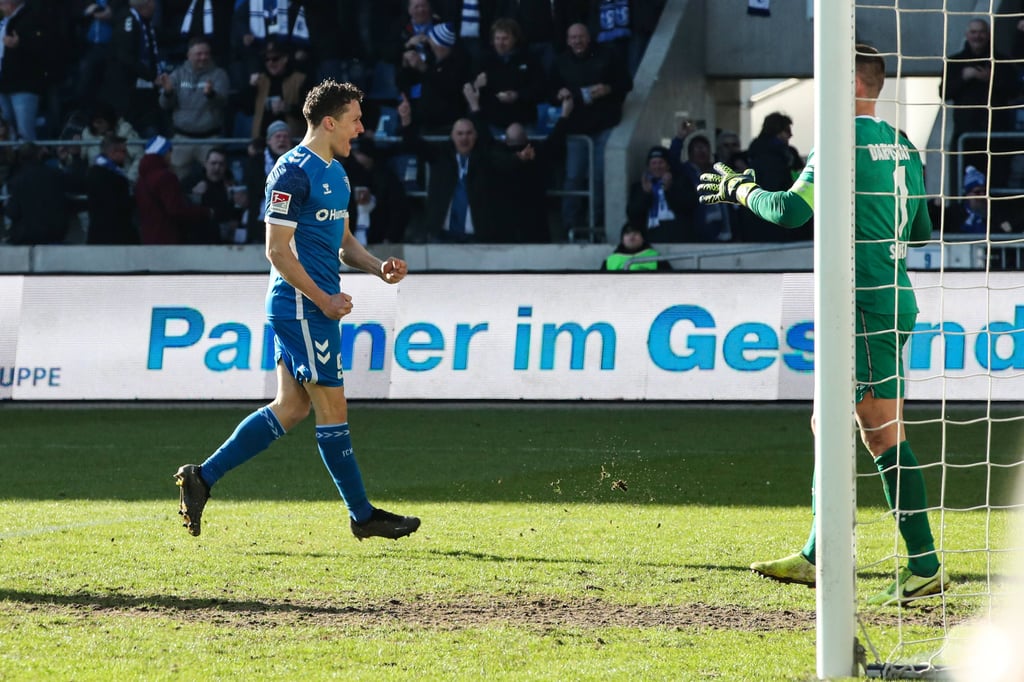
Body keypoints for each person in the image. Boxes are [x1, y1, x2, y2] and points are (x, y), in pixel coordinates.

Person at [697, 45, 948, 607]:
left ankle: (925, 563)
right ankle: (818, 553)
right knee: (826, 420)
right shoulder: (904, 145)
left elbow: (790, 211)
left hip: (864, 305)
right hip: (891, 294)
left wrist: (740, 188)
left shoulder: (841, 142)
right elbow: (925, 228)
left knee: (879, 429)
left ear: (854, 82)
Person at [173, 79, 420, 543]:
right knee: (333, 407)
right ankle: (362, 515)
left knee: (290, 408)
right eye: (354, 120)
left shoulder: (338, 173)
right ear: (329, 122)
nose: (361, 129)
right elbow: (277, 252)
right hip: (302, 308)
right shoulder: (291, 171)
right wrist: (323, 299)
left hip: (311, 308)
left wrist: (376, 266)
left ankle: (201, 478)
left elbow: (342, 242)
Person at [550, 22, 632, 234]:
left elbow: (626, 83)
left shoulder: (608, 55)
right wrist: (558, 93)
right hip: (575, 129)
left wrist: (608, 89)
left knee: (599, 178)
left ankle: (595, 223)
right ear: (568, 40)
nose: (577, 41)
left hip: (603, 126)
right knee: (573, 177)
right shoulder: (560, 61)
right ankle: (570, 225)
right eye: (573, 37)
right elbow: (547, 90)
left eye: (581, 36)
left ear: (589, 37)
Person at [397, 87, 496, 243]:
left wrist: (475, 107)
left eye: (469, 133)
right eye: (460, 134)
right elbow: (414, 144)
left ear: (476, 135)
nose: (464, 138)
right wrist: (406, 119)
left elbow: (490, 144)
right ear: (452, 136)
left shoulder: (484, 158)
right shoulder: (440, 155)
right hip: (442, 235)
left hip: (476, 236)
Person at [941, 18, 1020, 195]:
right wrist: (964, 77)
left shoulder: (1001, 61)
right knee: (967, 190)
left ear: (989, 35)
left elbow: (1015, 91)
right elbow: (944, 93)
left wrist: (991, 79)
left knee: (998, 188)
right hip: (967, 139)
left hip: (997, 139)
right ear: (967, 35)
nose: (978, 36)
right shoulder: (955, 62)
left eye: (982, 32)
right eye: (974, 32)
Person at [159, 36, 232, 179]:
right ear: (189, 55)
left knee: (216, 178)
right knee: (175, 180)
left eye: (206, 54)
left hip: (210, 139)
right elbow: (164, 105)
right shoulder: (177, 75)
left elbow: (223, 102)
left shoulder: (219, 75)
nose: (203, 57)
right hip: (182, 139)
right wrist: (168, 93)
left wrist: (211, 95)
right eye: (199, 54)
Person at [135, 135, 215, 244]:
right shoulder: (166, 177)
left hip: (148, 237)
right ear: (165, 152)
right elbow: (176, 210)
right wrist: (205, 212)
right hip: (168, 238)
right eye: (170, 151)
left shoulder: (141, 180)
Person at [101, 0, 162, 138]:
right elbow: (125, 57)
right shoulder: (128, 20)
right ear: (148, 5)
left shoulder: (143, 21)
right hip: (125, 90)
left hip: (140, 90)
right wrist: (151, 76)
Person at [471, 17, 544, 133]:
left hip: (524, 122)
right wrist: (477, 85)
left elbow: (540, 88)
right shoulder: (484, 61)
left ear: (515, 39)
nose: (500, 43)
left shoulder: (529, 59)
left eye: (505, 39)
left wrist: (518, 95)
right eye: (497, 38)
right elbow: (472, 92)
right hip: (493, 123)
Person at [626, 145, 694, 243]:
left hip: (677, 237)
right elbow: (633, 214)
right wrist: (646, 194)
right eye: (654, 163)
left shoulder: (681, 182)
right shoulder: (639, 187)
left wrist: (669, 190)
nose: (657, 167)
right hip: (650, 237)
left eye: (661, 163)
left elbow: (688, 207)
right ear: (648, 167)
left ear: (668, 165)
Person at [0, 0, 47, 142]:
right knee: (5, 128)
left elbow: (42, 46)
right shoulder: (4, 21)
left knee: (24, 131)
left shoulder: (32, 17)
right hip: (3, 82)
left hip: (23, 84)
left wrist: (19, 44)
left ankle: (28, 161)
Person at [5, 143, 68, 245]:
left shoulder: (16, 180)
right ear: (39, 155)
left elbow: (13, 212)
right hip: (54, 232)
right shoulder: (55, 174)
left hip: (28, 235)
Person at [249, 39, 309, 139]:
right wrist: (251, 88)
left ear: (285, 59)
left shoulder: (300, 80)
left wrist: (287, 108)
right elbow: (246, 108)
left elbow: (312, 113)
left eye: (275, 59)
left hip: (291, 144)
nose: (270, 63)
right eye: (267, 60)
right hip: (262, 142)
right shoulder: (259, 80)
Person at [182, 147, 243, 244]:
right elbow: (180, 207)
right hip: (197, 236)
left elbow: (237, 212)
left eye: (221, 164)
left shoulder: (232, 184)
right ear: (205, 164)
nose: (217, 168)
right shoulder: (191, 181)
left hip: (222, 238)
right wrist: (193, 194)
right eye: (213, 163)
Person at [85, 133, 137, 245]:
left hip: (97, 233)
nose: (126, 155)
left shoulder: (91, 173)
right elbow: (122, 207)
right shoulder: (118, 178)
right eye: (123, 151)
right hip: (117, 235)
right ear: (113, 153)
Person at [600, 221, 672, 271]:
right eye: (627, 233)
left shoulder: (656, 258)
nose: (632, 236)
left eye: (636, 233)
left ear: (643, 238)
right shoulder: (610, 260)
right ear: (622, 239)